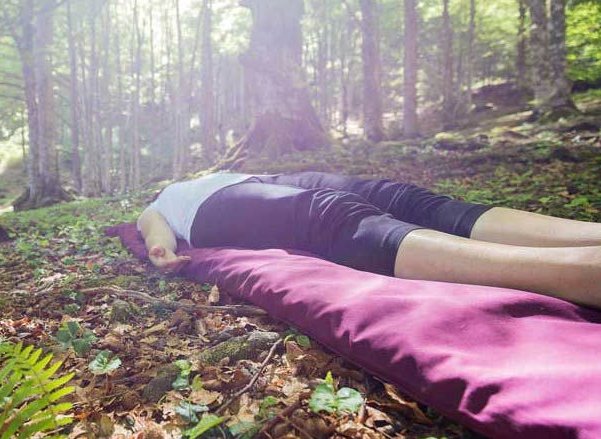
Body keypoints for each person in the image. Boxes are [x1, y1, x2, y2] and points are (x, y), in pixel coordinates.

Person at [137, 171, 601, 309]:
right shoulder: (165, 198)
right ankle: (578, 274)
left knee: (399, 197)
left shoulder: (223, 170)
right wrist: (162, 249)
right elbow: (152, 228)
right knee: (332, 217)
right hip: (213, 212)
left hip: (266, 177)